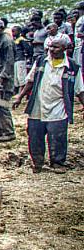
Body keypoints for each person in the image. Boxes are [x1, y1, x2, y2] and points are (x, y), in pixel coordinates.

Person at [14, 35, 84, 173]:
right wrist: (20, 97)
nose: (52, 49)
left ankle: (57, 162)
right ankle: (37, 163)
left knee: (58, 136)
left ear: (65, 48)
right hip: (38, 106)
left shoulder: (73, 67)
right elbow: (31, 81)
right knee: (35, 136)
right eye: (51, 46)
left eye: (56, 47)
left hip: (58, 107)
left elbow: (80, 90)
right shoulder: (41, 61)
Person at [12, 25, 31, 97]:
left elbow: (27, 49)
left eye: (14, 31)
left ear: (19, 31)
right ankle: (17, 93)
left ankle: (20, 94)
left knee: (21, 77)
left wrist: (27, 56)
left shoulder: (21, 39)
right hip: (15, 60)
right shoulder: (14, 40)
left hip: (20, 60)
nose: (13, 32)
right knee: (16, 77)